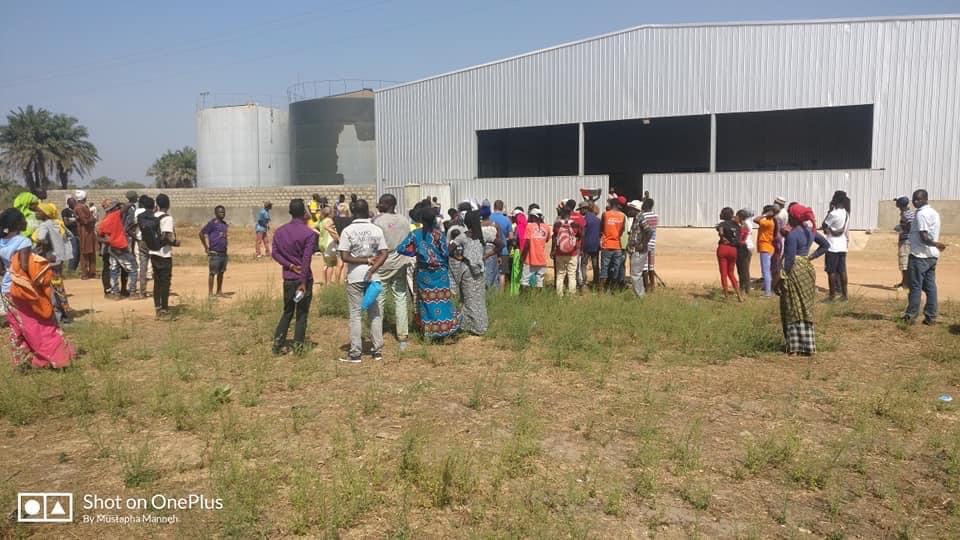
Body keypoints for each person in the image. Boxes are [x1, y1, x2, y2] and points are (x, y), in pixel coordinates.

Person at [0, 208, 75, 369]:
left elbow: (1, 270)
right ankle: (56, 357)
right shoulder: (23, 242)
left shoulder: (1, 242)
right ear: (17, 224)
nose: (25, 221)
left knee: (17, 325)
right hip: (25, 289)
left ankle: (22, 362)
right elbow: (25, 266)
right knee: (40, 323)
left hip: (7, 289)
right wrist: (43, 261)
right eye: (22, 219)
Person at [397, 199, 461, 339]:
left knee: (426, 302)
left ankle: (430, 332)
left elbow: (401, 248)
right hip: (441, 273)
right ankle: (447, 330)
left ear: (421, 220)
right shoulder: (439, 234)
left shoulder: (415, 234)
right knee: (443, 300)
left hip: (424, 274)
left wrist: (416, 251)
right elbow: (445, 253)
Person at [339, 199, 388, 362]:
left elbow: (345, 256)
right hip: (373, 277)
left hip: (355, 277)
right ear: (367, 212)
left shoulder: (348, 231)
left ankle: (355, 353)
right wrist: (372, 268)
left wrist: (363, 261)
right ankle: (377, 350)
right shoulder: (376, 229)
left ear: (353, 212)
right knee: (375, 313)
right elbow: (384, 253)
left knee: (355, 315)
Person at [779, 205, 829, 356]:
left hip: (794, 270)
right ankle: (808, 346)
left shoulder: (793, 235)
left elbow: (788, 261)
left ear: (793, 217)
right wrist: (810, 257)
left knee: (792, 306)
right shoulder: (810, 231)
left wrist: (780, 278)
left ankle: (794, 347)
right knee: (805, 307)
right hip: (807, 270)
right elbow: (826, 245)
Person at [271, 199, 319, 355]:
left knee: (287, 311)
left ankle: (278, 344)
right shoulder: (309, 233)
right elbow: (306, 259)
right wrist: (303, 282)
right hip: (303, 280)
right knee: (302, 314)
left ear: (290, 212)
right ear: (304, 213)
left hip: (289, 278)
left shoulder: (279, 232)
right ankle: (298, 347)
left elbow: (275, 253)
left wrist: (290, 265)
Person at [373, 194, 413, 350]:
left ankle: (377, 335)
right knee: (400, 297)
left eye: (380, 203)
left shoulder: (377, 221)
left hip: (382, 263)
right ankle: (403, 337)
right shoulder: (404, 220)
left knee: (380, 298)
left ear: (386, 204)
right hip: (400, 263)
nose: (378, 206)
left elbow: (374, 244)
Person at [902, 189, 945, 326]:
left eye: (918, 199)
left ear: (926, 199)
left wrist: (936, 244)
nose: (915, 201)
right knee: (930, 286)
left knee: (915, 286)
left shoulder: (921, 214)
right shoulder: (934, 213)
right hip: (931, 256)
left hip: (920, 255)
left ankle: (910, 316)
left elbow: (924, 237)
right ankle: (931, 317)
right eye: (914, 199)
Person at [450, 210, 489, 334]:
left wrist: (460, 258)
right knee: (479, 299)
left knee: (468, 299)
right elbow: (500, 243)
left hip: (466, 271)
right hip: (479, 271)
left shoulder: (463, 236)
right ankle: (480, 325)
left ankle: (469, 326)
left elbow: (449, 250)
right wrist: (485, 256)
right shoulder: (483, 235)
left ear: (467, 222)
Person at [34, 203, 73, 322]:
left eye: (39, 211)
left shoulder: (44, 225)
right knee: (58, 287)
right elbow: (70, 236)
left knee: (51, 289)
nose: (36, 213)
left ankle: (58, 315)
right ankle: (65, 312)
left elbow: (41, 239)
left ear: (45, 214)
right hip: (58, 259)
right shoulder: (58, 223)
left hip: (48, 260)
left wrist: (43, 246)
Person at [99, 199, 139, 299]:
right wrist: (127, 202)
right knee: (133, 268)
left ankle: (115, 293)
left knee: (114, 270)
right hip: (121, 246)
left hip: (112, 248)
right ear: (113, 208)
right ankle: (132, 292)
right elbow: (127, 206)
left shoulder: (104, 221)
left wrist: (109, 241)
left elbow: (99, 236)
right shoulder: (115, 215)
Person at [148, 194, 178, 318]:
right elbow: (166, 236)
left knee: (157, 282)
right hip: (164, 254)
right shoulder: (167, 218)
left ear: (158, 204)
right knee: (165, 282)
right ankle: (164, 309)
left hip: (153, 253)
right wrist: (174, 243)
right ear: (168, 204)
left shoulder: (153, 216)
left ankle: (157, 307)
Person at [821, 191, 850, 301]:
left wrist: (829, 211)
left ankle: (832, 296)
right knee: (842, 271)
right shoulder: (846, 213)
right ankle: (844, 295)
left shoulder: (833, 214)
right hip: (842, 245)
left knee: (831, 272)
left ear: (835, 199)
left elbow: (824, 225)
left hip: (832, 246)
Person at [200, 205, 229, 297]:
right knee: (212, 273)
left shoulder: (224, 224)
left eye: (223, 212)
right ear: (216, 213)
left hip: (223, 253)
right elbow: (201, 233)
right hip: (214, 253)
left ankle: (219, 291)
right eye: (220, 212)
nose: (222, 213)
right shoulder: (212, 224)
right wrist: (206, 247)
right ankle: (210, 293)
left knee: (221, 272)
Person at [552, 202, 581, 296]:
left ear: (561, 213)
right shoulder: (575, 224)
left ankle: (559, 295)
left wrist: (552, 250)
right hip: (572, 253)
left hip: (559, 252)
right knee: (572, 275)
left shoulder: (557, 224)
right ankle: (572, 295)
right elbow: (581, 235)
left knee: (560, 274)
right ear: (570, 214)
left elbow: (554, 238)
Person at [715, 207, 744, 302]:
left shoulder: (722, 224)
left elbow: (720, 231)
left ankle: (726, 296)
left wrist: (722, 237)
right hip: (733, 250)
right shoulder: (737, 226)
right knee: (731, 273)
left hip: (723, 248)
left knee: (723, 273)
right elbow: (739, 240)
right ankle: (739, 295)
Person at [625, 200, 652, 298]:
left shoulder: (641, 218)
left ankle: (640, 296)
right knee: (636, 274)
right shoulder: (636, 218)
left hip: (638, 251)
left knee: (635, 275)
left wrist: (643, 244)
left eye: (630, 209)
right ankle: (640, 295)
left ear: (635, 209)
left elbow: (649, 231)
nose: (629, 211)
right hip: (634, 250)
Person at [520, 208, 552, 290]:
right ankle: (538, 297)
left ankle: (524, 297)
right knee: (539, 281)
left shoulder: (529, 227)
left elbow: (527, 244)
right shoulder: (547, 227)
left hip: (530, 259)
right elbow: (547, 240)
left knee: (524, 280)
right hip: (541, 259)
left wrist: (522, 256)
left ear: (533, 216)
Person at [599, 197, 626, 292]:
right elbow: (622, 230)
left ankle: (601, 290)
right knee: (616, 268)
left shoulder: (605, 214)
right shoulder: (622, 216)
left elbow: (601, 228)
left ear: (611, 205)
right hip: (617, 245)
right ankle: (613, 289)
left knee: (604, 268)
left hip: (606, 245)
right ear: (618, 205)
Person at [73, 190, 98, 279]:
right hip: (85, 232)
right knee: (85, 253)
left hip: (89, 232)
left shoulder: (82, 206)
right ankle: (85, 273)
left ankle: (92, 272)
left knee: (92, 252)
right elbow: (85, 221)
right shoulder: (79, 207)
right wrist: (92, 219)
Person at [893, 196, 915, 290]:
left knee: (904, 262)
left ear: (900, 205)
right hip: (907, 240)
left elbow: (910, 226)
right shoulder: (907, 213)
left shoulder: (906, 214)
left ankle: (905, 284)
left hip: (906, 241)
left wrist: (900, 228)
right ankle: (904, 282)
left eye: (897, 203)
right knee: (904, 263)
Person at [754, 205, 777, 297]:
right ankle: (767, 289)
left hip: (765, 247)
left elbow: (755, 219)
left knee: (765, 270)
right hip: (768, 247)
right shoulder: (770, 221)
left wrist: (765, 215)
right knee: (766, 270)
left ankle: (767, 292)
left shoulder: (767, 222)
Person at [578, 200, 601, 289]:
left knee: (583, 264)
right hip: (596, 246)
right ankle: (596, 282)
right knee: (595, 265)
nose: (580, 211)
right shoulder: (598, 220)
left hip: (586, 246)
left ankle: (584, 283)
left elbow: (583, 234)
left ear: (585, 209)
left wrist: (581, 247)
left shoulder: (584, 220)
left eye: (580, 209)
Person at [479, 204, 503, 288]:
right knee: (493, 273)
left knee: (483, 272)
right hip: (493, 250)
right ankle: (493, 292)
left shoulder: (479, 225)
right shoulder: (495, 224)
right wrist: (499, 256)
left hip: (481, 250)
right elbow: (499, 240)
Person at [490, 200, 513, 289]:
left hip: (490, 251)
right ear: (502, 208)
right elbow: (511, 237)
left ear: (494, 207)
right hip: (503, 250)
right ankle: (501, 293)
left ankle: (490, 292)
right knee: (502, 273)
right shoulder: (507, 220)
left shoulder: (489, 218)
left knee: (490, 272)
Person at [638, 199, 658, 293]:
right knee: (651, 266)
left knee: (644, 267)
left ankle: (646, 287)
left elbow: (642, 229)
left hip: (644, 243)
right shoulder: (656, 216)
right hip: (652, 243)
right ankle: (652, 285)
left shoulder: (643, 216)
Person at [316, 206, 340, 285]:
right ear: (330, 213)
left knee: (326, 263)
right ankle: (328, 283)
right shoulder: (329, 220)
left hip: (321, 243)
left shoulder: (321, 221)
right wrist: (337, 238)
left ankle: (324, 281)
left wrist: (319, 233)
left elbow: (312, 227)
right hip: (329, 243)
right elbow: (332, 231)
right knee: (331, 265)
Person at [134, 195, 152, 295]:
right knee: (151, 259)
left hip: (140, 239)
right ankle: (149, 274)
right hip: (151, 240)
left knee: (141, 261)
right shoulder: (153, 213)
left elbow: (132, 225)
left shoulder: (137, 212)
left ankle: (142, 290)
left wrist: (135, 237)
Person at [735, 209, 754, 296]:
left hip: (744, 247)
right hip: (747, 247)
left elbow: (741, 237)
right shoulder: (746, 223)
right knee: (745, 269)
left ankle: (743, 289)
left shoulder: (744, 225)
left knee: (743, 269)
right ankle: (746, 288)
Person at [61, 197, 80, 273]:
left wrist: (73, 221)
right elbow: (66, 223)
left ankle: (74, 268)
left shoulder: (78, 211)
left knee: (79, 252)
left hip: (79, 233)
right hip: (71, 234)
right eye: (72, 202)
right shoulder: (65, 211)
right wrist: (77, 221)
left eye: (75, 202)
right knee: (74, 251)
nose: (75, 204)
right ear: (68, 203)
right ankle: (70, 269)